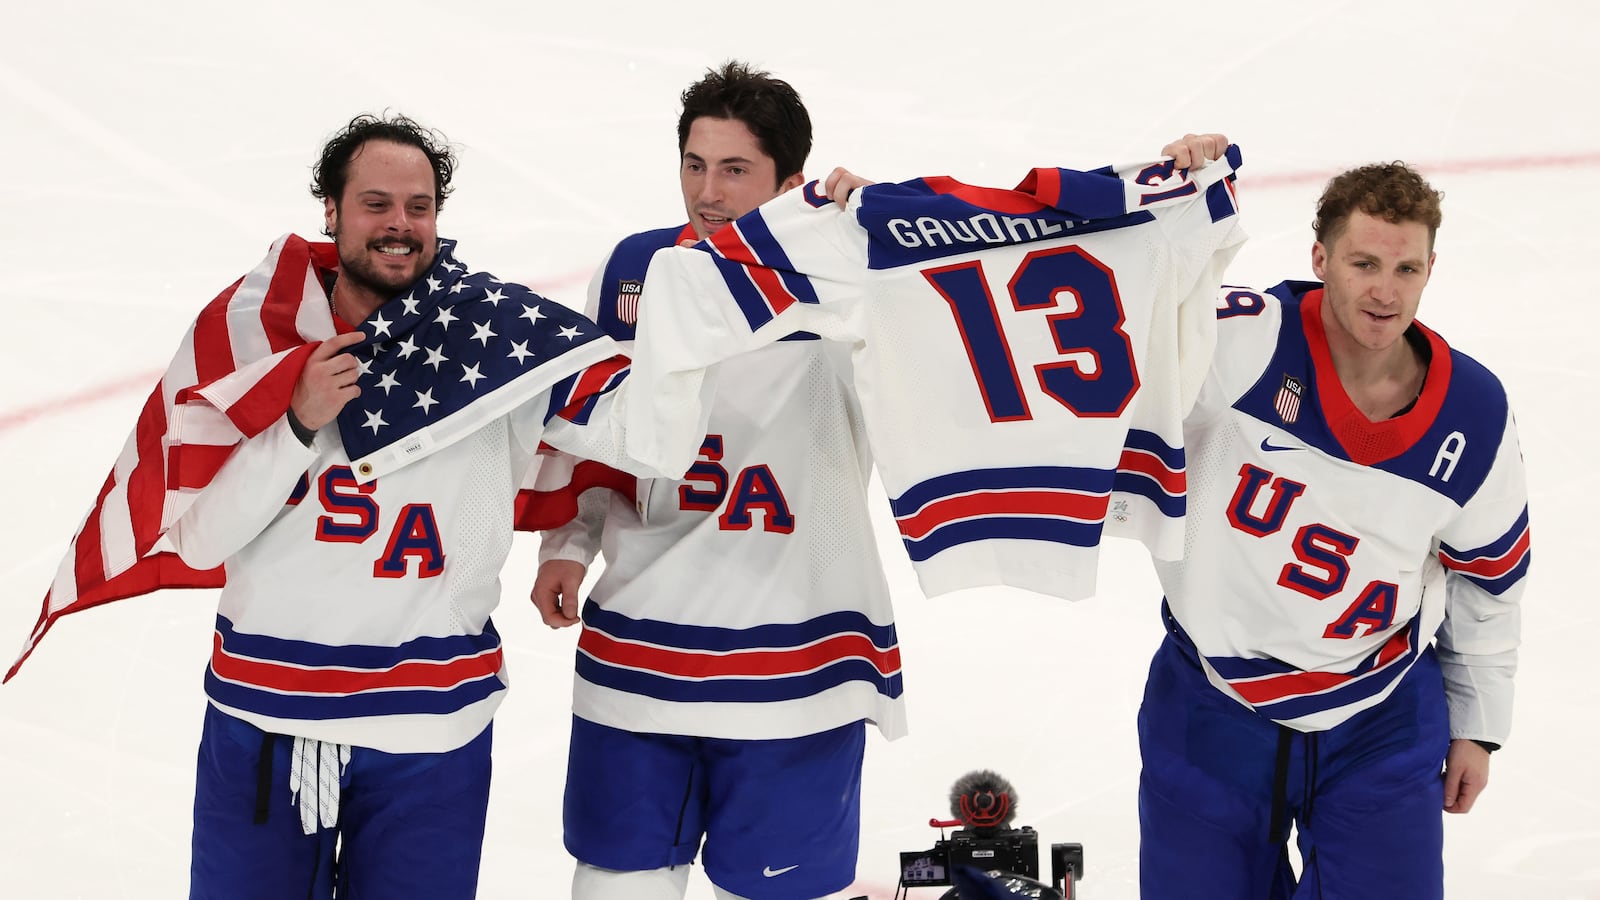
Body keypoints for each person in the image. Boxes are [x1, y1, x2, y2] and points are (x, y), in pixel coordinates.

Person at [10, 113, 707, 900]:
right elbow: (202, 542)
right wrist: (297, 422)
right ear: (332, 213)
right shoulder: (255, 338)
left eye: (418, 207)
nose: (400, 227)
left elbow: (652, 445)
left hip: (430, 730)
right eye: (376, 205)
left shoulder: (499, 340)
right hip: (270, 718)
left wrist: (699, 316)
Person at [530, 61, 900, 900]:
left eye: (735, 169)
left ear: (792, 182)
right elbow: (599, 427)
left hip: (799, 665)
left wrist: (892, 242)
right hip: (639, 651)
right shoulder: (636, 272)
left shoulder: (856, 286)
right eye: (696, 164)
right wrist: (570, 541)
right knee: (614, 884)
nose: (709, 191)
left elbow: (979, 315)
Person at [1136, 138, 1532, 898]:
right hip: (1212, 700)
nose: (1385, 291)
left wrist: (1477, 725)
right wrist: (1176, 203)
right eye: (1364, 264)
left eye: (1405, 268)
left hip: (1381, 716)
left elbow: (1492, 577)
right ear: (1319, 259)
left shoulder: (1475, 413)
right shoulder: (1238, 343)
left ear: (1429, 272)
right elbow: (1125, 324)